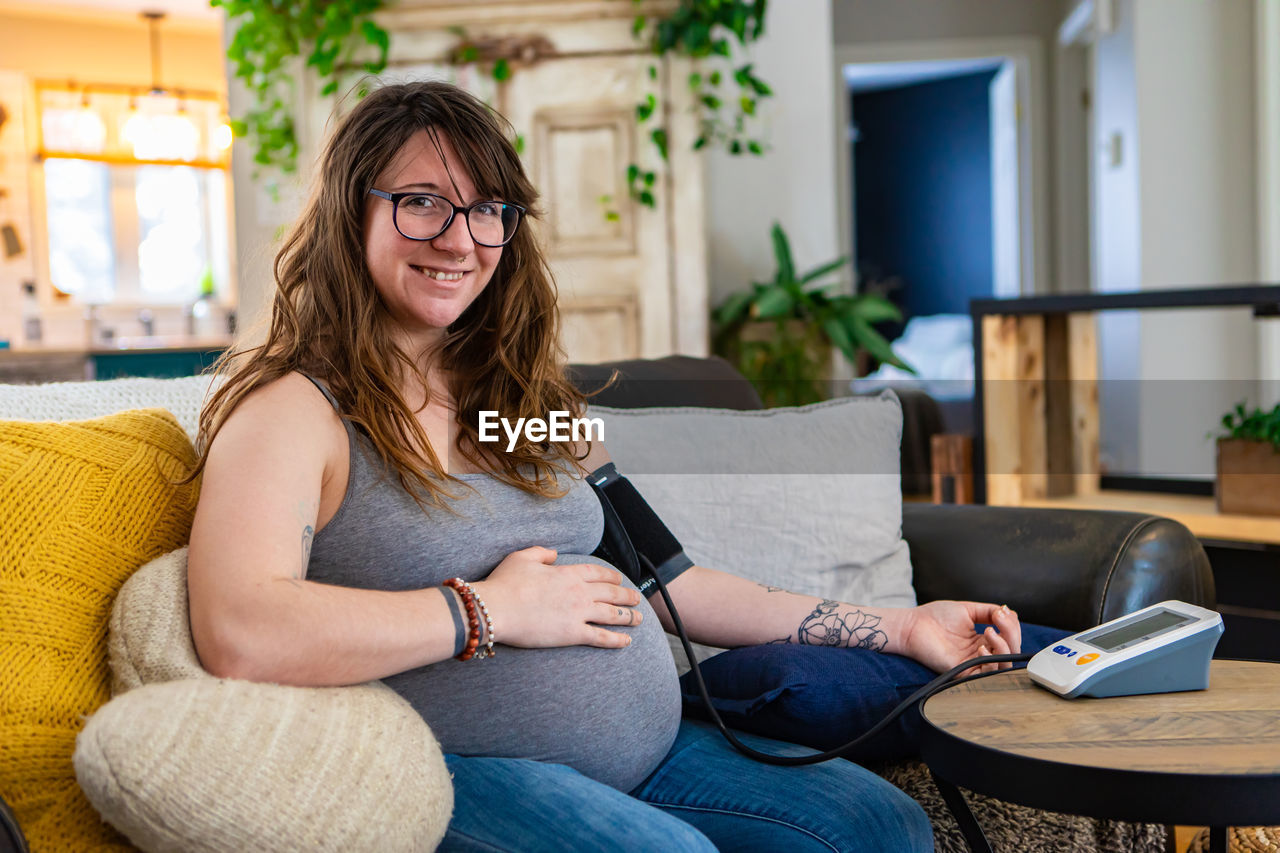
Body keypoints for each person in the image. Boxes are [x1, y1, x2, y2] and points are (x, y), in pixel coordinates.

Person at [187, 80, 1023, 853]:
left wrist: (905, 628)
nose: (460, 240)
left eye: (488, 211)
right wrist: (488, 610)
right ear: (349, 212)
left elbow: (675, 585)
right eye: (420, 204)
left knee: (880, 824)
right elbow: (241, 631)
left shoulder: (525, 402)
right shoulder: (293, 411)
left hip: (653, 748)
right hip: (444, 766)